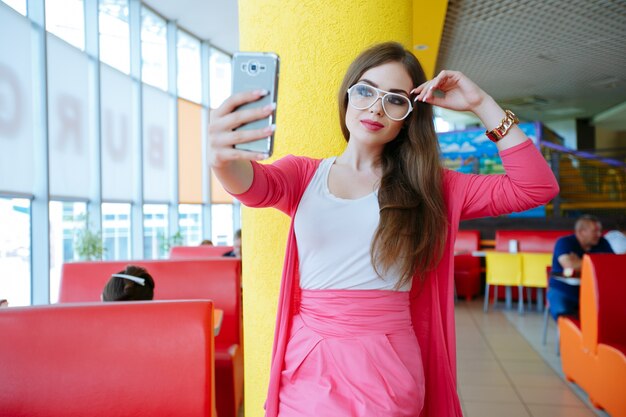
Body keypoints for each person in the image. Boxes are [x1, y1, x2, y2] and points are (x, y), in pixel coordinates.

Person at [208, 42, 558, 417]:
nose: (376, 106)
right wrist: (220, 158)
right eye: (365, 90)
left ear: (408, 116)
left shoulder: (431, 187)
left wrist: (480, 103)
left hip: (386, 364)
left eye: (394, 99)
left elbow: (536, 187)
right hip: (309, 358)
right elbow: (250, 186)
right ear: (347, 96)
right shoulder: (303, 175)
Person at [548, 215, 614, 319]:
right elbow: (569, 265)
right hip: (564, 290)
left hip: (595, 291)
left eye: (600, 231)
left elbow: (612, 265)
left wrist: (579, 262)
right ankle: (567, 334)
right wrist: (598, 261)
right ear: (581, 232)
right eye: (595, 231)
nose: (599, 234)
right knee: (564, 315)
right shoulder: (564, 242)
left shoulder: (603, 242)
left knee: (613, 312)